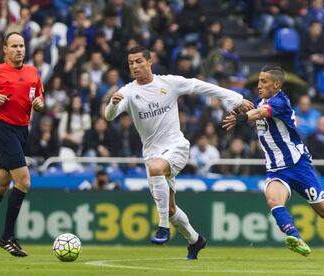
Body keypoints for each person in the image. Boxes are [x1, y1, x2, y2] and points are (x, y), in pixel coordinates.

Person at [105, 46, 253, 260]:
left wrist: (235, 98)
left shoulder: (168, 83)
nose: (134, 66)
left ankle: (162, 227)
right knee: (171, 209)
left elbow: (200, 86)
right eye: (130, 63)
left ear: (149, 61)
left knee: (158, 172)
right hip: (152, 154)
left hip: (176, 147)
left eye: (139, 61)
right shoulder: (128, 92)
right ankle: (195, 240)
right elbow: (109, 116)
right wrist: (112, 103)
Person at [222, 65, 324, 257]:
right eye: (259, 81)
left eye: (264, 81)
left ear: (276, 84)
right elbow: (258, 111)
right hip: (276, 169)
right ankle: (296, 237)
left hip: (297, 165)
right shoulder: (261, 101)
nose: (259, 85)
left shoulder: (280, 102)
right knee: (273, 200)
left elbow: (260, 113)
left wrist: (241, 117)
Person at [0, 32, 44, 257]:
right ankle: (7, 237)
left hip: (22, 131)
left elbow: (38, 98)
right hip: (3, 129)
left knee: (0, 186)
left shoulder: (33, 72)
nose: (19, 49)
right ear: (5, 49)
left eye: (21, 46)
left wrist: (39, 104)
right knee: (24, 181)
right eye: (14, 46)